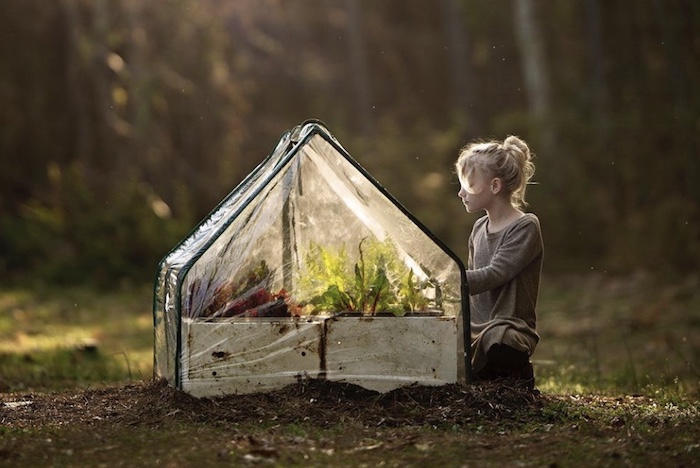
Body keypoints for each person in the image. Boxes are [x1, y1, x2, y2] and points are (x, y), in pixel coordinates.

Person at [455, 135, 543, 390]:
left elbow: (495, 273)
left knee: (500, 340)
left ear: (495, 186)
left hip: (508, 325)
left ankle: (519, 379)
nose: (461, 193)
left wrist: (451, 277)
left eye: (469, 184)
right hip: (475, 327)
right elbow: (472, 284)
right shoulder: (478, 227)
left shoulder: (525, 226)